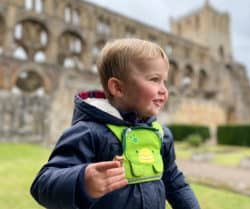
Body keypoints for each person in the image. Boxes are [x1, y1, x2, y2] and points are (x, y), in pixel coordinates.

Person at [30, 38, 201, 209]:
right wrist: (82, 180)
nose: (163, 89)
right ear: (118, 88)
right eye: (154, 79)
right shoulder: (88, 132)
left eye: (165, 81)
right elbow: (42, 184)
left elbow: (174, 183)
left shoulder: (161, 136)